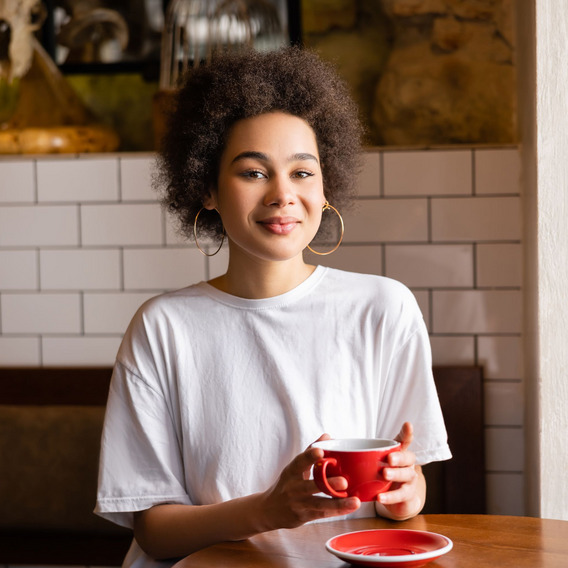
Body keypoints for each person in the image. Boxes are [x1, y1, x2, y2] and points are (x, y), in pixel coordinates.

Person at [95, 46, 451, 568]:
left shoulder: (383, 308)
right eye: (254, 172)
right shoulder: (163, 327)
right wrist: (267, 510)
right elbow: (155, 533)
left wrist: (404, 491)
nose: (283, 194)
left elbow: (408, 494)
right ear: (208, 188)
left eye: (302, 172)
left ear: (326, 184)